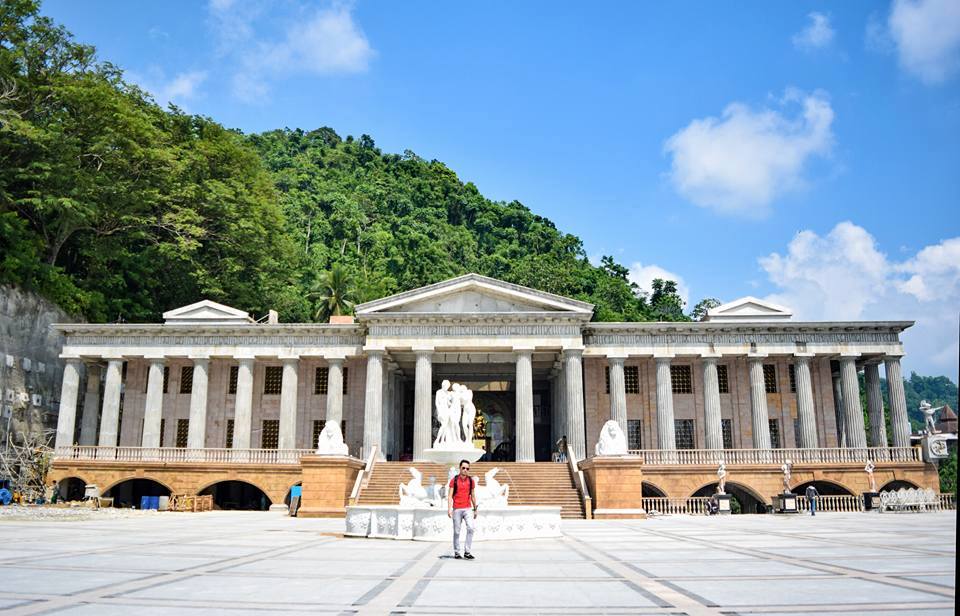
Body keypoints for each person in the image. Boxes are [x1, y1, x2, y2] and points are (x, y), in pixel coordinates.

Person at [447, 458, 477, 560]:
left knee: (471, 528)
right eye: (463, 468)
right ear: (459, 468)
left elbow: (473, 495)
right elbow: (450, 495)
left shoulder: (471, 481)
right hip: (457, 508)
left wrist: (475, 509)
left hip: (468, 508)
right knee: (456, 531)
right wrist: (449, 509)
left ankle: (467, 552)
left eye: (467, 469)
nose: (465, 470)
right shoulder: (454, 480)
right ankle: (457, 552)